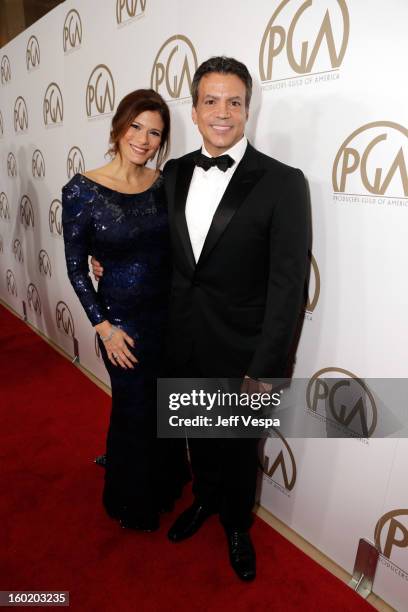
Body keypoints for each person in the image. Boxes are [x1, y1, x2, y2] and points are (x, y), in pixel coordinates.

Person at [93, 57, 310, 580]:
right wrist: (106, 258)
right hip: (179, 336)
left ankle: (237, 524)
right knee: (196, 436)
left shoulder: (283, 183)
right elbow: (148, 241)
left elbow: (287, 288)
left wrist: (265, 368)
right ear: (194, 109)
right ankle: (204, 501)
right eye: (211, 101)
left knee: (237, 449)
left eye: (234, 101)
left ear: (247, 109)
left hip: (242, 349)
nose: (222, 111)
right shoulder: (173, 173)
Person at [62, 89, 188, 533]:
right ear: (118, 126)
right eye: (136, 126)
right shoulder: (82, 189)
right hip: (122, 324)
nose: (144, 138)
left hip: (168, 317)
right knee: (134, 410)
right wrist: (104, 328)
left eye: (155, 132)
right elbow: (76, 266)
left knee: (165, 406)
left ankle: (168, 480)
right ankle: (132, 498)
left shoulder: (164, 183)